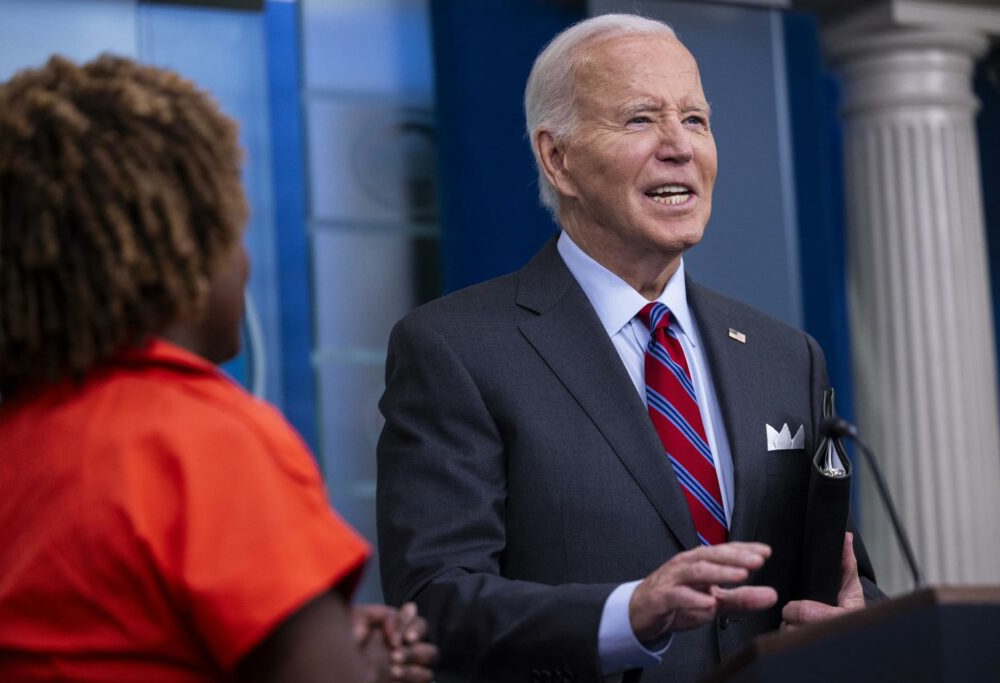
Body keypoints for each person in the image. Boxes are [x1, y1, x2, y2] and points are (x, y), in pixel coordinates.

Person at [376, 14, 882, 683]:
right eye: (642, 119)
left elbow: (845, 577)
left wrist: (856, 618)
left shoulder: (785, 356)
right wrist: (628, 614)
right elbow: (434, 603)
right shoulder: (456, 349)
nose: (679, 147)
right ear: (558, 159)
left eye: (695, 120)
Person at [0, 55, 436, 682]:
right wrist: (374, 668)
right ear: (178, 252)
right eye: (233, 231)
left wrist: (321, 628)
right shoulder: (205, 438)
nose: (245, 265)